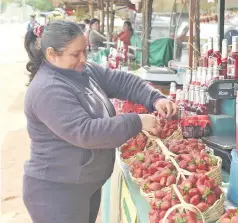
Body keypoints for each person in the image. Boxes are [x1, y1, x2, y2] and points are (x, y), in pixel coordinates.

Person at [23, 20, 177, 223]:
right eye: (75, 54)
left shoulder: (83, 71)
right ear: (52, 54)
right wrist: (137, 122)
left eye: (84, 51)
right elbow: (86, 132)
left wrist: (154, 98)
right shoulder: (47, 89)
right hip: (57, 192)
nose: (83, 59)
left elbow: (122, 81)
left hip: (82, 185)